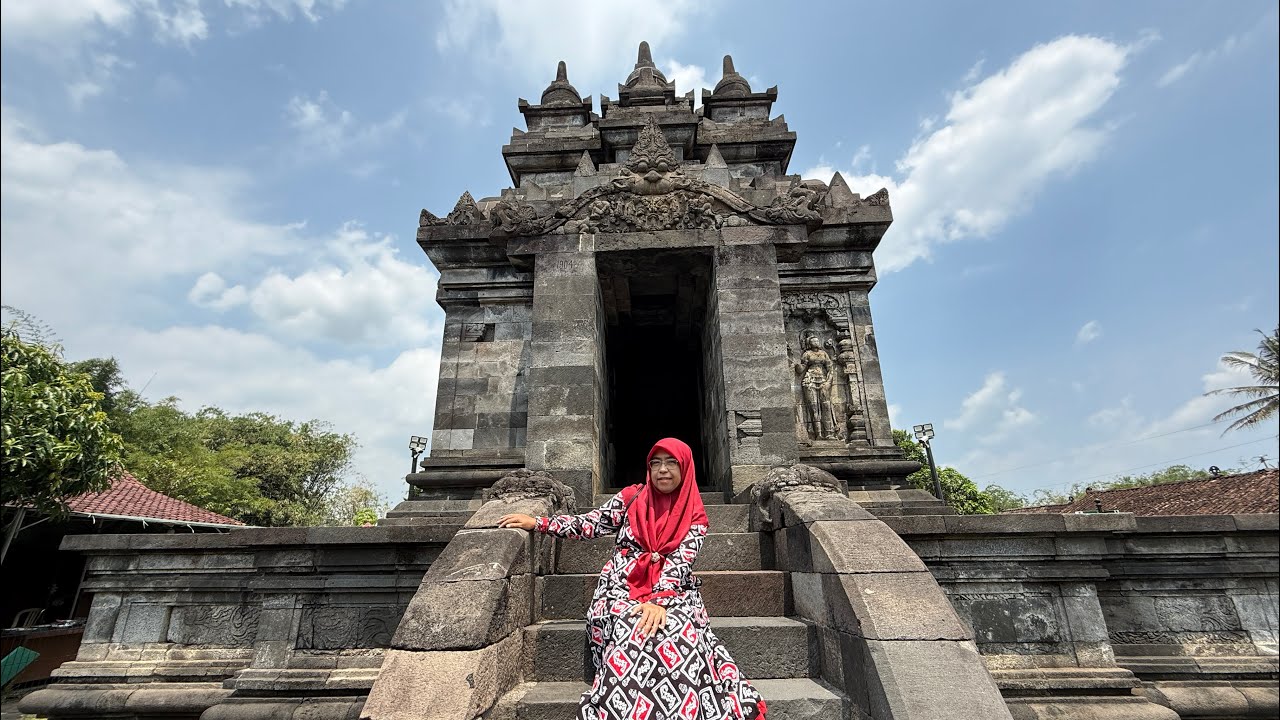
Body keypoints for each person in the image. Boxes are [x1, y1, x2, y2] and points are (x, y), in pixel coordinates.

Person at [499, 437, 767, 719]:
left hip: (673, 589)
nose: (662, 470)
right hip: (620, 587)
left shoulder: (695, 516)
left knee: (677, 630)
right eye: (656, 463)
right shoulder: (632, 498)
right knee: (632, 627)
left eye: (671, 462)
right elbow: (589, 523)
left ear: (686, 468)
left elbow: (680, 562)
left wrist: (659, 601)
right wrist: (540, 523)